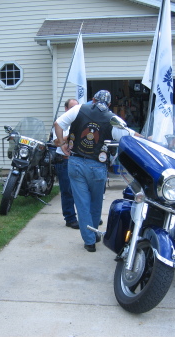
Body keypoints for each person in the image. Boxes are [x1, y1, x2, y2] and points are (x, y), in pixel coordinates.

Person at [54, 90, 134, 252]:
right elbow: (130, 135)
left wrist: (62, 144)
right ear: (109, 104)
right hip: (97, 165)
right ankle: (94, 233)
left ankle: (89, 241)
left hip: (75, 162)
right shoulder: (112, 118)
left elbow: (58, 123)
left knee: (82, 203)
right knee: (96, 201)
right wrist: (148, 139)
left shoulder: (78, 109)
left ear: (93, 100)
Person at [53, 98, 80, 229]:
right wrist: (72, 135)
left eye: (77, 107)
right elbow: (56, 142)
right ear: (66, 109)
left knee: (81, 191)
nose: (75, 110)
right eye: (72, 107)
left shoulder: (81, 121)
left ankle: (86, 217)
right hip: (65, 161)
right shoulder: (61, 122)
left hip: (79, 161)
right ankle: (70, 218)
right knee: (67, 191)